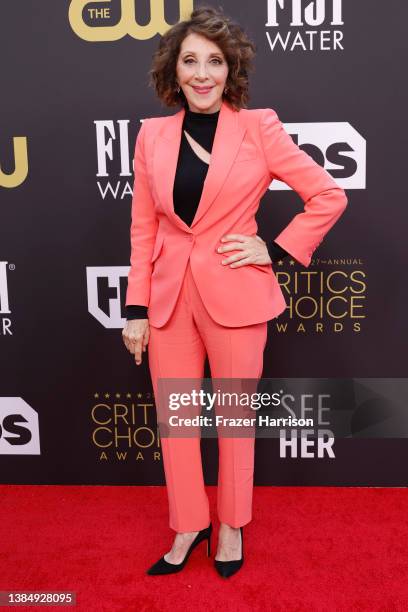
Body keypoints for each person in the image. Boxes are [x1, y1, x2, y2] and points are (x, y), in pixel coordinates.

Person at [122, 6, 348, 578]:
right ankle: (188, 523)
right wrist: (136, 308)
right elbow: (144, 230)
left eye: (214, 62)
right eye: (190, 60)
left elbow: (326, 196)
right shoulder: (150, 136)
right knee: (176, 420)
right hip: (171, 300)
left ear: (230, 71)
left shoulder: (258, 127)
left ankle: (230, 524)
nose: (202, 73)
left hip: (237, 298)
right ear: (173, 72)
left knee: (236, 419)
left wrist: (271, 249)